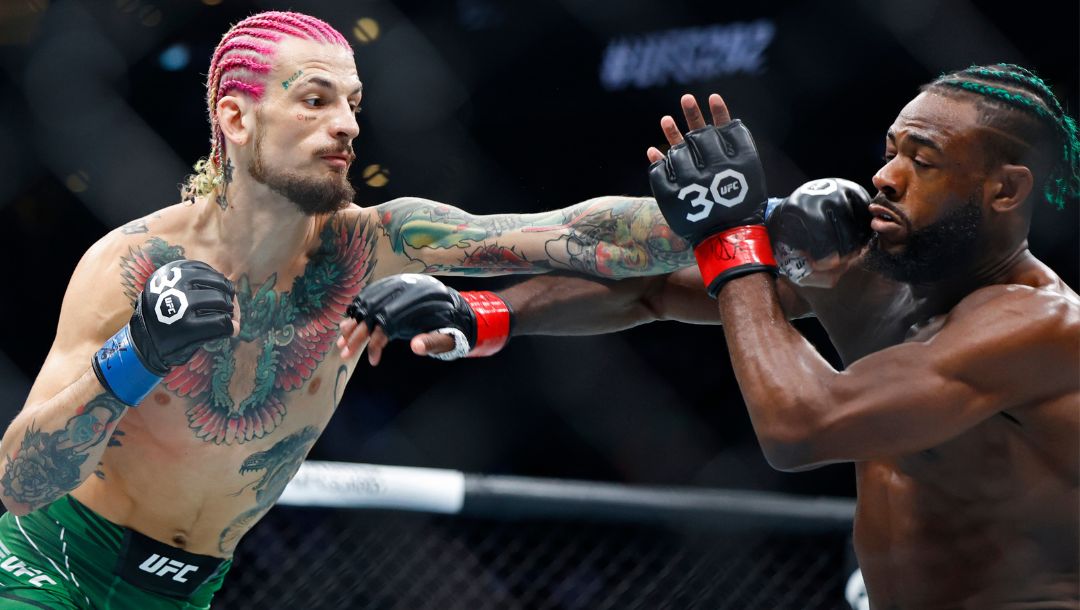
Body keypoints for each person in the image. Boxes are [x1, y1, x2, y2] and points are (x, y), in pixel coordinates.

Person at [0, 11, 697, 608]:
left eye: (353, 104)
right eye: (315, 100)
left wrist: (713, 207)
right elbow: (19, 483)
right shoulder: (131, 263)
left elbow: (568, 233)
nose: (346, 126)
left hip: (190, 590)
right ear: (236, 117)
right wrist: (138, 354)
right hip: (50, 563)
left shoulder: (373, 244)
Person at [340, 64, 1079, 607]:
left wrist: (734, 239)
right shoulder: (871, 267)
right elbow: (654, 287)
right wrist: (481, 313)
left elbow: (802, 426)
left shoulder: (1038, 326)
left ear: (1006, 189)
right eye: (891, 149)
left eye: (923, 160)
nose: (886, 176)